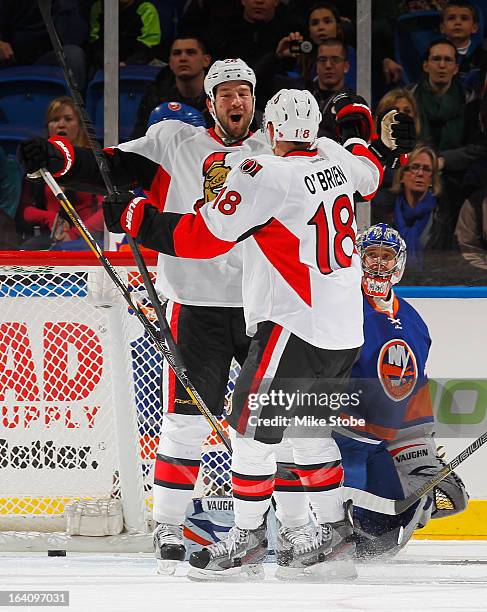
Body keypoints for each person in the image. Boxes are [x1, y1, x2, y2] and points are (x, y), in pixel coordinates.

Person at [99, 90, 418, 580]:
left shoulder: (266, 175)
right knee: (308, 433)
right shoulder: (335, 157)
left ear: (270, 130)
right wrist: (374, 138)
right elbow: (371, 172)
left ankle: (245, 538)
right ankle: (333, 535)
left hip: (294, 326)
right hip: (342, 331)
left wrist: (135, 219)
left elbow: (201, 239)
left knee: (247, 432)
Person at [332, 223, 468, 558]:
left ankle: (364, 553)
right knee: (335, 503)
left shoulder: (414, 320)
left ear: (399, 263)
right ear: (357, 259)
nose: (378, 264)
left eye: (386, 256)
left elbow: (413, 386)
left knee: (410, 506)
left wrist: (423, 444)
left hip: (385, 441)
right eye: (371, 255)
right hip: (340, 437)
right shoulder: (339, 307)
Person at [17, 96, 104, 250]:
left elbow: (105, 210)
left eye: (68, 119)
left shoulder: (94, 162)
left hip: (85, 241)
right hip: (47, 240)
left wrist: (76, 233)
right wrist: (51, 218)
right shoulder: (36, 165)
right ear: (48, 126)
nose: (61, 125)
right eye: (55, 119)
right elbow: (25, 210)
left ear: (80, 126)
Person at [132, 36, 212, 139]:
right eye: (177, 53)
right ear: (170, 62)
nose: (183, 58)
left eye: (191, 52)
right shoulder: (155, 98)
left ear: (206, 60)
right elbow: (140, 139)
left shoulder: (220, 99)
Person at [0, 0, 88, 91]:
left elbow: (78, 37)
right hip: (13, 56)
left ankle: (69, 104)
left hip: (52, 54)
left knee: (73, 56)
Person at [88, 0, 161, 73]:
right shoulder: (98, 7)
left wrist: (128, 63)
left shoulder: (146, 8)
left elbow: (150, 44)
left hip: (139, 61)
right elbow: (95, 40)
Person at [439, 0, 487, 94]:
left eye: (464, 18)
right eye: (451, 18)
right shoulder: (433, 55)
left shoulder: (483, 57)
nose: (458, 22)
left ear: (474, 28)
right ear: (442, 28)